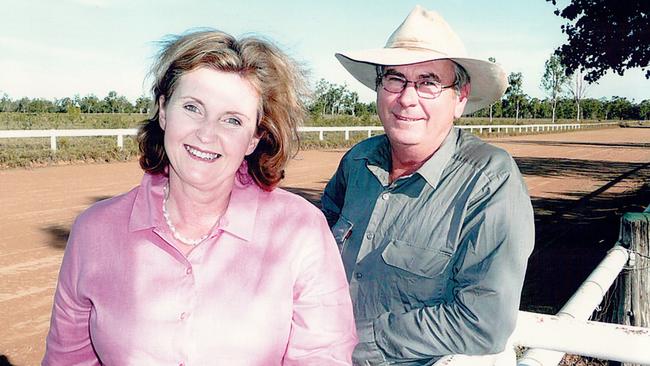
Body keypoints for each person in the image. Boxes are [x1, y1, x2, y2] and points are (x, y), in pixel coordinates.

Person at [43, 30, 357, 365]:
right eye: (193, 107)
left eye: (232, 120)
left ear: (254, 138)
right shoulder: (94, 230)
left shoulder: (301, 230)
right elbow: (69, 358)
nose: (207, 134)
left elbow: (323, 356)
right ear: (163, 110)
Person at [322, 6, 534, 365]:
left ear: (461, 97)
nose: (407, 98)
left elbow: (483, 322)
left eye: (429, 82)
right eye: (394, 79)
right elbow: (311, 253)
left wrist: (356, 341)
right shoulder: (357, 162)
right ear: (379, 87)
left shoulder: (489, 181)